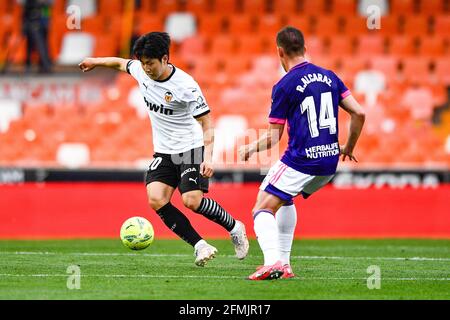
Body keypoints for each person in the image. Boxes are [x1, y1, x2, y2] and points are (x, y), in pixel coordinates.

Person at [79, 32, 249, 267]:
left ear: (165, 59)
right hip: (163, 151)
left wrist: (208, 157)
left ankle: (234, 227)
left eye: (151, 63)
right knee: (156, 198)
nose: (146, 68)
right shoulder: (139, 69)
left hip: (190, 148)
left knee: (191, 201)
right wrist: (94, 62)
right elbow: (119, 63)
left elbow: (207, 122)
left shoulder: (185, 86)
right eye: (143, 63)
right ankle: (200, 245)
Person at [239, 27, 365, 280]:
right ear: (305, 49)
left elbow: (274, 137)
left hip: (301, 160)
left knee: (261, 208)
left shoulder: (284, 85)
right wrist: (348, 147)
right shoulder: (330, 77)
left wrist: (250, 148)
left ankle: (273, 262)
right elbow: (359, 113)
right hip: (329, 163)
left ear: (280, 52)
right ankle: (284, 265)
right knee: (284, 198)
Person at [22, 0, 53, 73]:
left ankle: (45, 65)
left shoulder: (45, 4)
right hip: (32, 22)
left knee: (42, 45)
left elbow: (47, 11)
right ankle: (29, 65)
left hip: (41, 23)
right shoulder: (30, 3)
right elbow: (26, 10)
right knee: (30, 45)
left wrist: (46, 22)